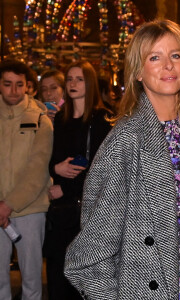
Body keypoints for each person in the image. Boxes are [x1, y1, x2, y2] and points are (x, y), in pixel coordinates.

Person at [64, 20, 180, 300]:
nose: (169, 65)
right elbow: (88, 256)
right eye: (155, 57)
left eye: (175, 55)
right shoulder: (126, 140)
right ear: (138, 72)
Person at [43, 60, 111, 300]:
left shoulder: (103, 120)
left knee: (85, 283)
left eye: (79, 79)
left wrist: (67, 188)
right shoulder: (59, 119)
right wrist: (55, 169)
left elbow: (103, 170)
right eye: (69, 79)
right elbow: (48, 159)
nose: (72, 84)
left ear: (89, 83)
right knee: (58, 280)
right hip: (61, 214)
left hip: (88, 212)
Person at [0, 60, 53, 300]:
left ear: (28, 86)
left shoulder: (41, 118)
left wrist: (8, 204)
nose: (13, 90)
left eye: (19, 84)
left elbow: (38, 169)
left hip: (30, 210)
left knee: (32, 279)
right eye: (7, 84)